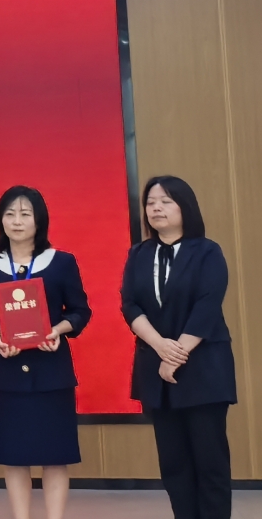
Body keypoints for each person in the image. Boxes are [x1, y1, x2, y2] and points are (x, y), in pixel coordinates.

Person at [0, 187, 91, 519]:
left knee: (56, 455)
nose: (17, 221)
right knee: (14, 456)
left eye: (25, 214)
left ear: (40, 220)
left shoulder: (61, 262)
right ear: (0, 220)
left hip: (52, 371)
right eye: (9, 214)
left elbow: (80, 311)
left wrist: (58, 330)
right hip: (8, 373)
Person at [120, 176, 236, 519]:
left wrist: (176, 355)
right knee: (174, 464)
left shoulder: (207, 251)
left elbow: (207, 305)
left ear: (185, 207)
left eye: (166, 201)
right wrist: (159, 346)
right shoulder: (138, 254)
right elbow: (130, 305)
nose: (156, 208)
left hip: (203, 369)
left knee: (210, 462)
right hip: (156, 371)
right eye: (151, 202)